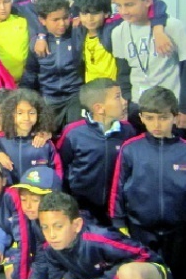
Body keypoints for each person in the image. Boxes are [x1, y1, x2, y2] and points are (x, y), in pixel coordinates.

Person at [109, 86, 186, 279]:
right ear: (141, 117)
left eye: (163, 118)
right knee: (145, 277)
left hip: (178, 231)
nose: (156, 124)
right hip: (139, 229)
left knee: (176, 277)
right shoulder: (130, 149)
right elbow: (117, 190)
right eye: (150, 118)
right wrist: (119, 224)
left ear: (174, 117)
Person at [112, 0, 186, 139]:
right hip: (139, 109)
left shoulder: (173, 27)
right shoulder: (118, 32)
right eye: (119, 6)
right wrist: (129, 101)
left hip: (170, 109)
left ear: (147, 1)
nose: (123, 11)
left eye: (129, 5)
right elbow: (123, 72)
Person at [28, 191, 170, 279]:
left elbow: (145, 255)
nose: (51, 234)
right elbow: (59, 274)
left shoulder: (99, 238)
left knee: (128, 272)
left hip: (151, 275)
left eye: (58, 226)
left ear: (76, 225)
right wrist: (70, 277)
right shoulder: (51, 248)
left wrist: (110, 278)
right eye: (45, 227)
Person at [57, 78, 134, 225]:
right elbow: (61, 168)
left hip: (117, 212)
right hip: (82, 210)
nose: (124, 101)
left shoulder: (128, 131)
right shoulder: (73, 133)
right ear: (99, 108)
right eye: (118, 97)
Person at [20, 0, 83, 133]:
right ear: (42, 20)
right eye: (55, 20)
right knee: (45, 135)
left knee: (76, 132)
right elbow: (30, 74)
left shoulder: (78, 34)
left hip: (76, 96)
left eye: (66, 18)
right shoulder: (36, 43)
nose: (62, 23)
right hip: (49, 99)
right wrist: (23, 98)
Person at [0, 88, 62, 184]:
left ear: (40, 114)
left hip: (38, 197)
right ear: (10, 114)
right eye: (20, 113)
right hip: (9, 196)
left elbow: (57, 173)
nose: (26, 118)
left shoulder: (45, 144)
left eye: (32, 113)